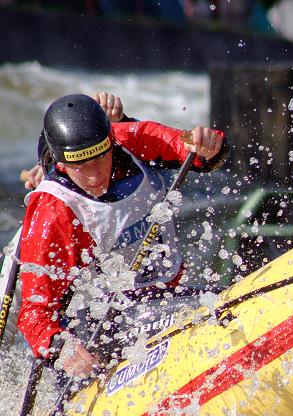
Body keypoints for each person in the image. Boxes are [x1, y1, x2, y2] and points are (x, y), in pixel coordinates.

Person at [18, 93, 228, 379]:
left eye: (100, 158)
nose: (94, 176)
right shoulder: (52, 213)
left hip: (167, 297)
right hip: (99, 327)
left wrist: (208, 145)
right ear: (61, 164)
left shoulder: (129, 139)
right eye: (81, 166)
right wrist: (62, 348)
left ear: (112, 142)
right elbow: (34, 314)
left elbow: (194, 148)